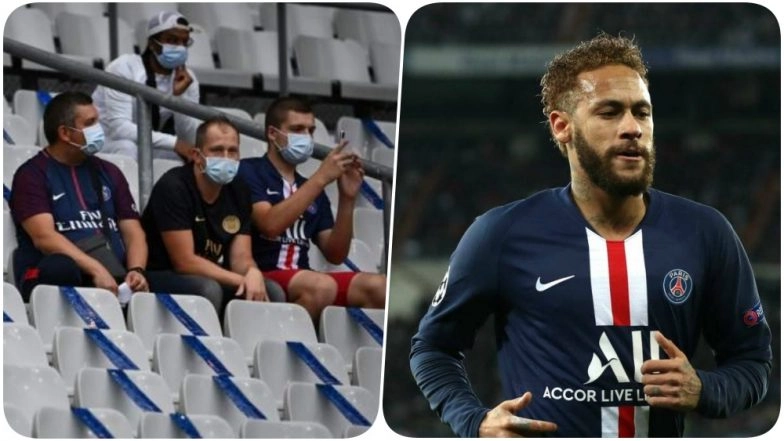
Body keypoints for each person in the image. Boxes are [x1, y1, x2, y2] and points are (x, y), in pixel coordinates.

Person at [409, 33, 772, 437]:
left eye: (642, 112)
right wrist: (474, 421)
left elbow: (752, 362)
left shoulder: (706, 232)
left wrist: (706, 389)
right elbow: (432, 348)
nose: (633, 128)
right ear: (562, 126)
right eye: (610, 112)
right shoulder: (502, 233)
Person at [237, 97, 386, 321]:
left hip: (305, 277)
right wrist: (321, 178)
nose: (305, 137)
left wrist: (347, 198)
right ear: (272, 133)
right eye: (297, 129)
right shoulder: (249, 171)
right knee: (321, 286)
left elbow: (335, 254)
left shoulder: (311, 186)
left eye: (310, 130)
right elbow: (269, 225)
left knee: (380, 287)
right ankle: (283, 338)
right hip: (262, 273)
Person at [10, 91, 149, 301]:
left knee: (191, 286)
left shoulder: (110, 172)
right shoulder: (32, 174)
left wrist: (137, 270)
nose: (98, 130)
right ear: (65, 133)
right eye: (90, 123)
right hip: (53, 275)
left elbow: (133, 232)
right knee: (61, 267)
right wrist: (96, 269)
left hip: (114, 274)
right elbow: (44, 238)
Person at [141, 116, 282, 315]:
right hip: (160, 274)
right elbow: (184, 262)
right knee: (208, 289)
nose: (226, 157)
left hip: (207, 273)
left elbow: (241, 257)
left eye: (232, 151)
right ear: (197, 156)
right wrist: (241, 280)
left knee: (272, 291)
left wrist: (252, 272)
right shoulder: (174, 186)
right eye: (217, 150)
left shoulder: (239, 189)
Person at [92, 10, 199, 161]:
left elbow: (188, 138)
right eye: (172, 40)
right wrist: (175, 143)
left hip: (148, 143)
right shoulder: (124, 67)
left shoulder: (188, 79)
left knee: (174, 158)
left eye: (184, 42)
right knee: (128, 148)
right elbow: (119, 129)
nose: (180, 48)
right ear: (152, 44)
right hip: (106, 142)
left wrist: (178, 98)